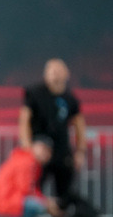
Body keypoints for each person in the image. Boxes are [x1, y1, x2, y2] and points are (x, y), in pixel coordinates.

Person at [20, 59, 86, 206]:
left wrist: (80, 151)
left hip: (61, 151)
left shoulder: (71, 99)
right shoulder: (34, 93)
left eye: (58, 71)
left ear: (66, 74)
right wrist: (28, 148)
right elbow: (24, 121)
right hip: (39, 152)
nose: (55, 75)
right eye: (52, 71)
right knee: (33, 191)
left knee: (64, 193)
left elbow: (79, 125)